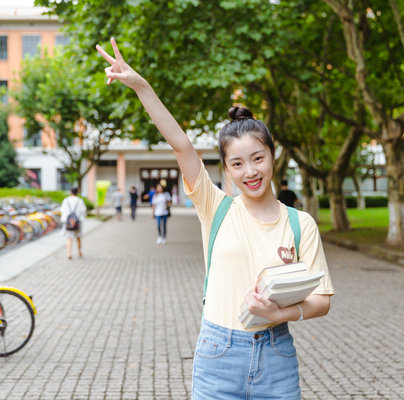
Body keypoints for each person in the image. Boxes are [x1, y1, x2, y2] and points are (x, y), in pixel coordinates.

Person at [97, 38, 334, 399]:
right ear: (225, 170)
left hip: (277, 356)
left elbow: (322, 301)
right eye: (237, 164)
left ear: (273, 156)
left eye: (258, 158)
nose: (250, 171)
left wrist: (280, 312)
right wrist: (141, 86)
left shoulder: (301, 224)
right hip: (218, 355)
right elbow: (181, 145)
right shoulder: (216, 206)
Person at [61, 187, 87, 259]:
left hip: (68, 222)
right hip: (78, 222)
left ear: (70, 192)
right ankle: (79, 252)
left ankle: (69, 254)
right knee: (78, 237)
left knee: (69, 238)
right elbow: (83, 210)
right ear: (77, 193)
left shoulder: (66, 200)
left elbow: (62, 210)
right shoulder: (80, 200)